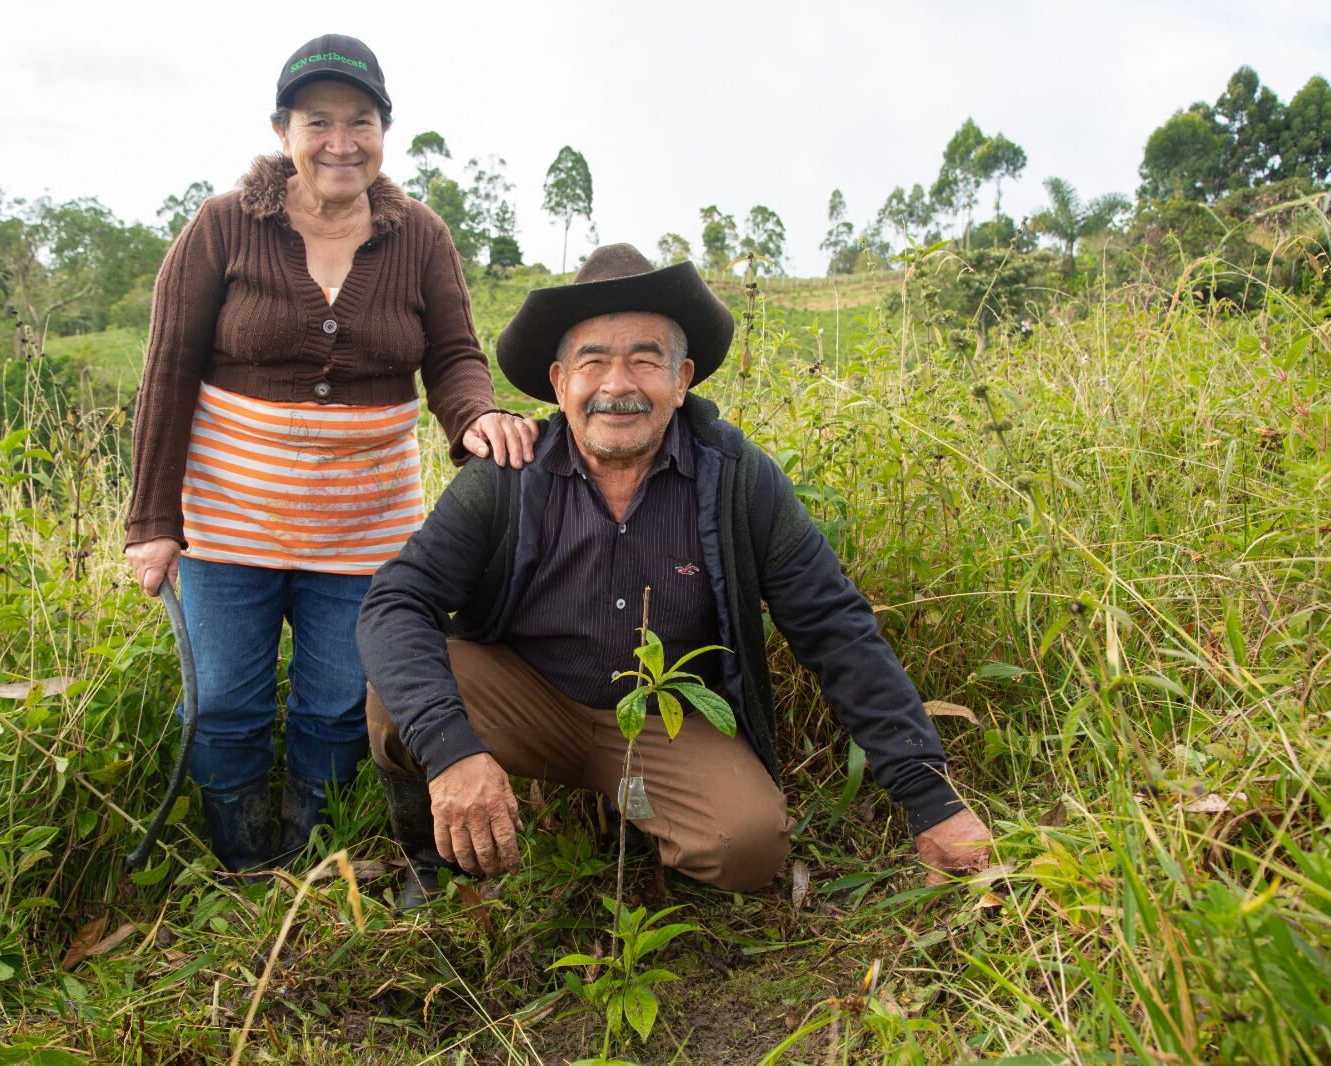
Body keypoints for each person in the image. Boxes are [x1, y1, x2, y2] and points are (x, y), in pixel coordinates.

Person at [356, 244, 992, 904]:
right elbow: (397, 600)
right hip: (528, 700)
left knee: (742, 846)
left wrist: (931, 801)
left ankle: (633, 825)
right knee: (395, 699)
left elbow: (835, 627)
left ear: (683, 378)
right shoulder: (510, 477)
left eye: (645, 359)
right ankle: (434, 862)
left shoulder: (738, 479)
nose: (617, 385)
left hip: (663, 714)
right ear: (558, 382)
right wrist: (454, 751)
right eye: (593, 360)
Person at [123, 33, 536, 873]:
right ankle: (244, 870)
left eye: (362, 121)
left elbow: (453, 356)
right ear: (284, 131)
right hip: (226, 525)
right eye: (319, 122)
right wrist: (152, 520)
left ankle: (316, 867)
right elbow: (167, 371)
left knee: (340, 705)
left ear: (385, 133)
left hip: (364, 528)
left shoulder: (420, 236)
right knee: (224, 706)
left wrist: (475, 420)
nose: (341, 141)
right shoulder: (223, 226)